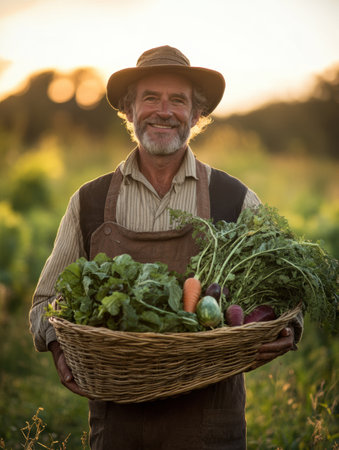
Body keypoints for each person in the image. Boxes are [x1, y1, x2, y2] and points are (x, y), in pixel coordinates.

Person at [29, 45, 303, 449]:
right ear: (129, 110)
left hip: (211, 420)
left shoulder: (234, 198)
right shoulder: (88, 202)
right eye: (150, 98)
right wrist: (55, 343)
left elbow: (285, 286)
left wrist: (288, 327)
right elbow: (45, 303)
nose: (164, 110)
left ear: (196, 115)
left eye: (178, 100)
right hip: (118, 418)